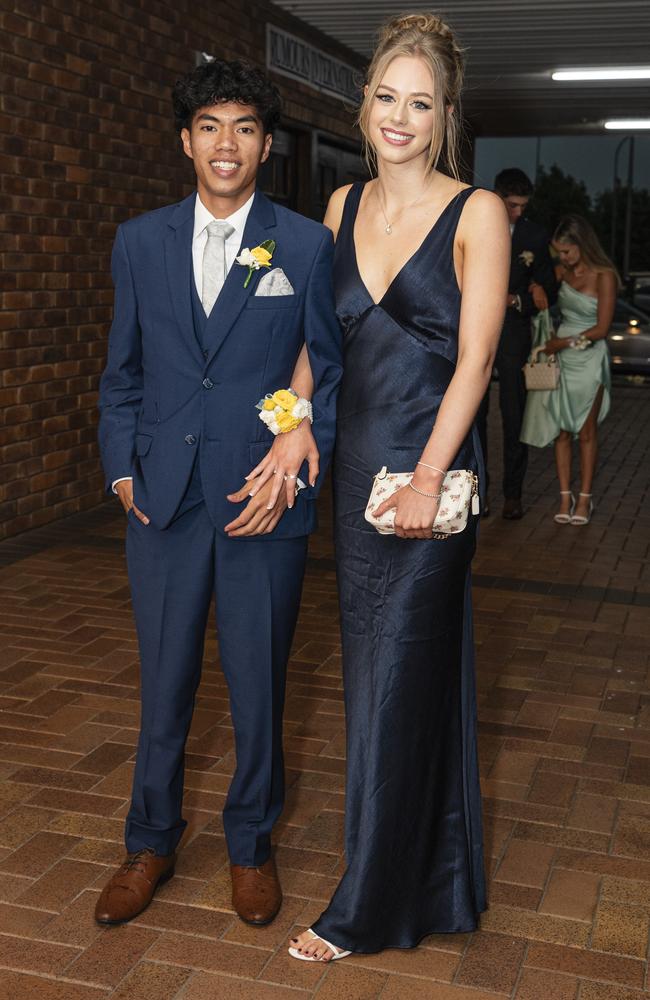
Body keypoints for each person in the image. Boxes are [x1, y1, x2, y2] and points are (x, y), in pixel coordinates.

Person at [283, 13, 510, 961]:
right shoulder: (340, 205)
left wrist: (427, 478)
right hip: (355, 486)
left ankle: (366, 908)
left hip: (425, 482)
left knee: (395, 682)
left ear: (446, 113)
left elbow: (478, 358)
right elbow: (318, 345)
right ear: (364, 101)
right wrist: (291, 427)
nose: (401, 116)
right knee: (388, 682)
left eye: (422, 102)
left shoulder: (478, 213)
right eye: (387, 96)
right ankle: (437, 881)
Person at [95, 59, 342, 928]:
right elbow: (122, 371)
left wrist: (298, 437)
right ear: (186, 141)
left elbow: (327, 366)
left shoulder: (307, 245)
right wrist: (122, 467)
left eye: (243, 127)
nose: (225, 143)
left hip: (261, 495)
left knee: (258, 681)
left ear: (267, 145)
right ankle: (150, 839)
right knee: (164, 680)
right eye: (209, 126)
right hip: (162, 497)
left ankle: (251, 845)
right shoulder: (139, 240)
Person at [520, 214, 616, 525]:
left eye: (566, 251)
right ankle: (565, 496)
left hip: (588, 359)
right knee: (561, 430)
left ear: (581, 245)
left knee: (586, 432)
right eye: (558, 252)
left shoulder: (604, 276)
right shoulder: (561, 272)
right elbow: (540, 294)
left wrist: (561, 344)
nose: (561, 258)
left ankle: (585, 499)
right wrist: (536, 285)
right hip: (561, 355)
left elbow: (602, 328)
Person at [475, 168, 557, 519]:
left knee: (514, 414)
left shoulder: (535, 236)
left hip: (513, 333)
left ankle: (513, 495)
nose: (517, 212)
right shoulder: (476, 224)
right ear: (496, 197)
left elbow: (549, 288)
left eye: (523, 206)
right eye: (511, 205)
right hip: (476, 329)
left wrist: (520, 298)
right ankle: (478, 492)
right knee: (473, 416)